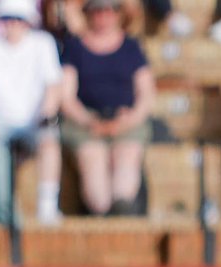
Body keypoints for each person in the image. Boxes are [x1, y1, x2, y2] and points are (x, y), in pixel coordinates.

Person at [59, 0, 154, 216]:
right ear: (89, 13)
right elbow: (66, 97)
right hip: (86, 123)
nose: (104, 16)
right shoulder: (75, 47)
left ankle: (123, 212)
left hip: (125, 121)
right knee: (96, 179)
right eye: (98, 10)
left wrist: (129, 120)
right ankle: (103, 215)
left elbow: (146, 94)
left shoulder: (131, 47)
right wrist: (89, 121)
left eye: (110, 10)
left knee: (126, 163)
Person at [0, 0, 63, 225]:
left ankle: (47, 207)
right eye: (7, 19)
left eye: (18, 19)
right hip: (0, 124)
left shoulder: (43, 44)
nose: (12, 25)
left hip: (35, 122)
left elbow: (53, 87)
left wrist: (46, 117)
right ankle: (1, 210)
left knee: (49, 139)